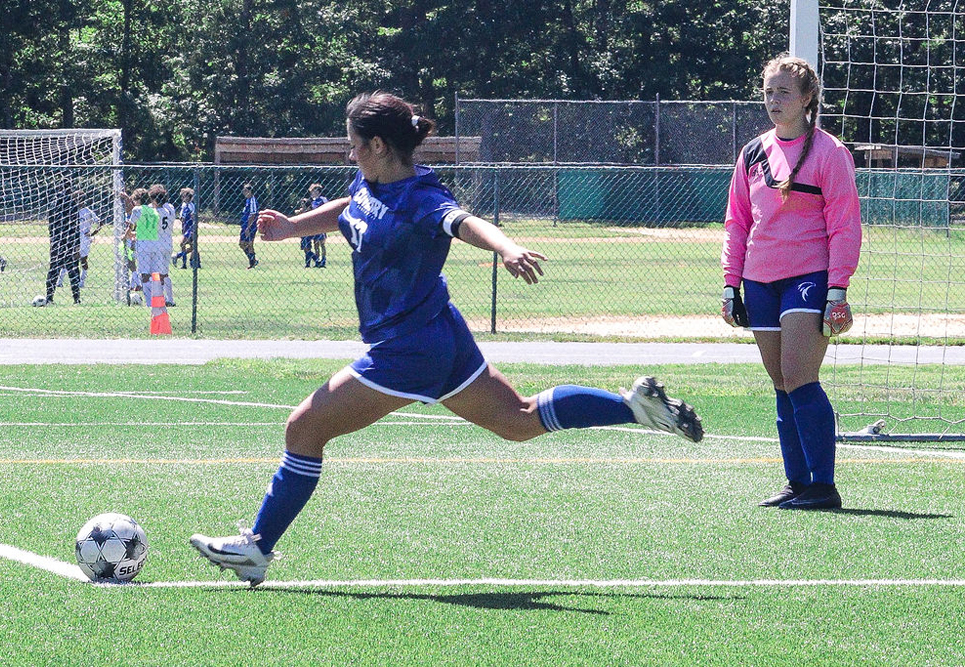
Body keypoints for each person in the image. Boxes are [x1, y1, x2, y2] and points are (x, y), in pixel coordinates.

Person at [190, 91, 704, 586]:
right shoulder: (372, 181)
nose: (350, 153)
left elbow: (464, 222)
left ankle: (257, 547)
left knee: (304, 428)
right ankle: (634, 408)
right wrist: (292, 228)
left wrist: (506, 247)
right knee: (518, 420)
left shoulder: (423, 198)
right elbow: (350, 208)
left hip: (407, 349)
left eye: (354, 144)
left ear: (378, 145)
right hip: (438, 333)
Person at [721, 55, 862, 511]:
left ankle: (824, 486)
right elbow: (737, 222)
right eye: (768, 91)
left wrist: (837, 288)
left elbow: (845, 225)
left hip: (809, 277)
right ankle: (797, 482)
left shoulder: (830, 152)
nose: (773, 100)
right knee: (781, 382)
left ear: (807, 99)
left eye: (783, 92)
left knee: (801, 377)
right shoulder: (751, 153)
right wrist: (730, 284)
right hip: (758, 280)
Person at [128, 184, 177, 307]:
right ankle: (169, 299)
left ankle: (154, 300)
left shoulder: (153, 211)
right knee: (163, 274)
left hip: (157, 243)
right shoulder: (170, 208)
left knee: (150, 274)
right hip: (168, 242)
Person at [41, 175, 81, 305]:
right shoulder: (72, 203)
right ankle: (76, 298)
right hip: (69, 240)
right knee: (72, 269)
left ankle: (49, 297)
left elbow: (51, 223)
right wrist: (77, 244)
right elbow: (75, 225)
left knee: (54, 269)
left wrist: (52, 239)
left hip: (57, 240)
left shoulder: (53, 203)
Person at [57, 191, 102, 289]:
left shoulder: (88, 212)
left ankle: (81, 282)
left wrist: (92, 233)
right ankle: (59, 281)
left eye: (76, 199)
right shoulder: (71, 211)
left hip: (84, 240)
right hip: (73, 238)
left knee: (83, 260)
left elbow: (100, 223)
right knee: (69, 259)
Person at [173, 187, 199, 269]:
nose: (182, 198)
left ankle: (178, 256)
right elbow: (182, 217)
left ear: (188, 197)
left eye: (183, 196)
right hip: (185, 228)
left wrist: (193, 228)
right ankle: (184, 263)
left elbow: (193, 217)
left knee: (183, 244)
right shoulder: (184, 205)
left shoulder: (191, 206)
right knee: (192, 247)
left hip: (190, 229)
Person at [308, 183, 328, 267]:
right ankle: (317, 260)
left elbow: (327, 208)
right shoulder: (312, 201)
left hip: (321, 224)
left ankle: (323, 260)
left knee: (322, 243)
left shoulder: (323, 199)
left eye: (314, 191)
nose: (313, 193)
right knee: (315, 243)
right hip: (314, 225)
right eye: (312, 191)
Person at [239, 183, 259, 268]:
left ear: (249, 191)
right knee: (242, 244)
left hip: (250, 226)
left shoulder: (252, 200)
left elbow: (253, 215)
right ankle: (253, 260)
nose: (243, 192)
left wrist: (248, 227)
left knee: (249, 244)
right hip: (245, 226)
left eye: (245, 190)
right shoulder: (248, 200)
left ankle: (252, 262)